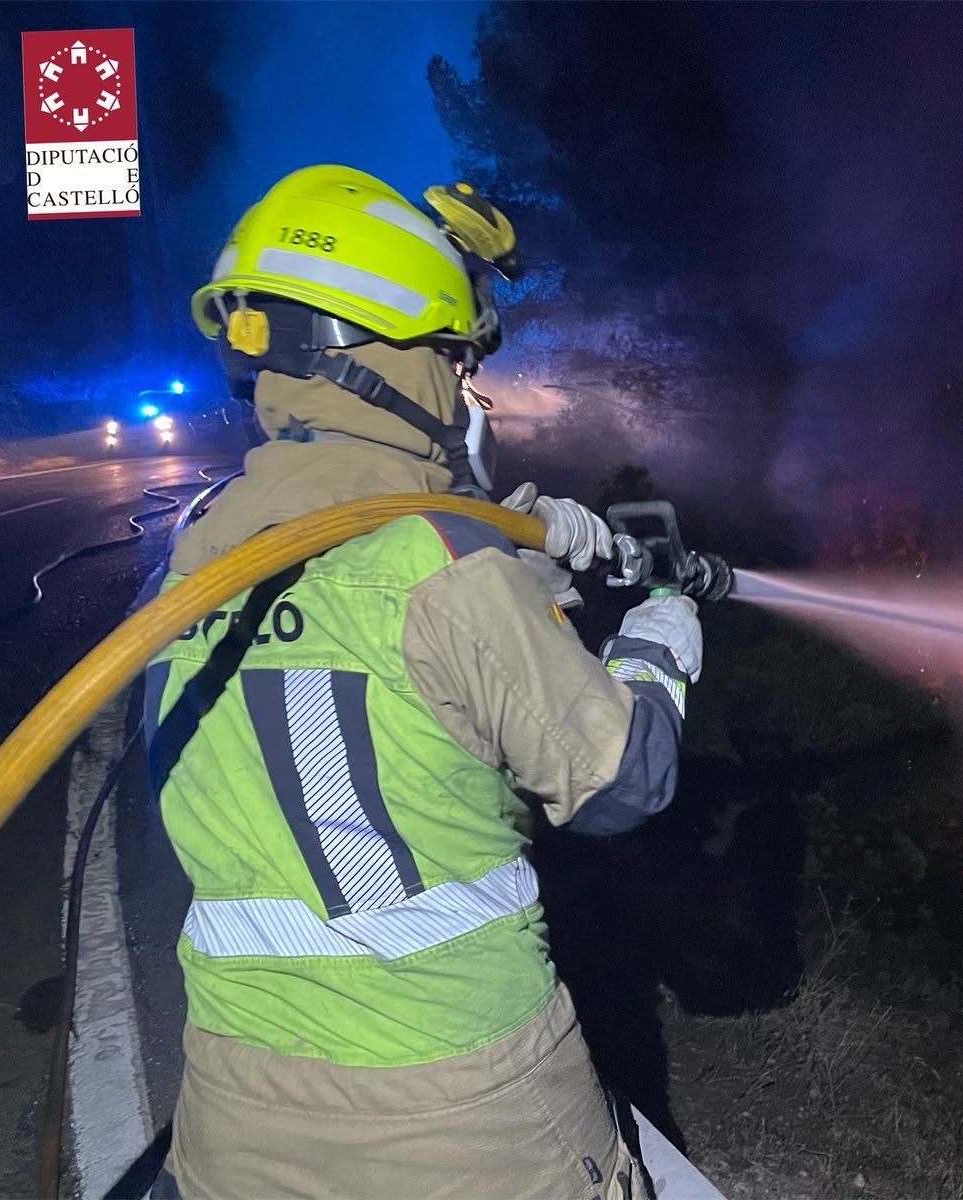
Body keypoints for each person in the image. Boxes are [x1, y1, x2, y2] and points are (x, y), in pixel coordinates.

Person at [143, 165, 700, 1199]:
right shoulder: (443, 562)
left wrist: (516, 577)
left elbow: (352, 665)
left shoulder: (195, 555)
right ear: (382, 358)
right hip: (467, 1121)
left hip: (237, 1123)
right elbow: (624, 782)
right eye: (454, 356)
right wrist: (658, 641)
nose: (467, 388)